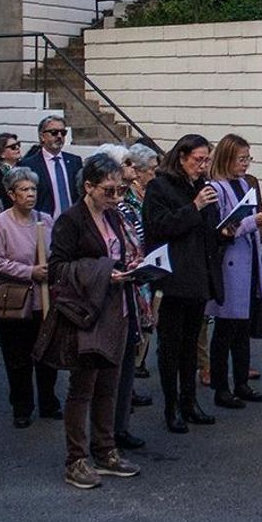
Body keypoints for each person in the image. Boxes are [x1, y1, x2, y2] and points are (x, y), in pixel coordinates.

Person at [36, 153, 142, 489]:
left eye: (119, 191)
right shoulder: (72, 220)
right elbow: (57, 269)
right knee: (83, 388)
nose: (115, 198)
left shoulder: (115, 216)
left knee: (109, 385)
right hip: (87, 313)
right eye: (108, 191)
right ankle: (76, 458)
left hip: (118, 308)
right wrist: (100, 272)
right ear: (88, 187)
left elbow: (126, 251)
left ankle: (105, 449)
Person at [142, 134, 224, 434]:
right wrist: (194, 206)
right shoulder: (159, 186)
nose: (202, 166)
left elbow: (208, 228)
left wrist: (222, 227)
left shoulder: (202, 186)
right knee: (171, 346)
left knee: (191, 344)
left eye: (206, 160)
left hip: (199, 275)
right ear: (181, 157)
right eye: (197, 160)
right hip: (173, 277)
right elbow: (160, 226)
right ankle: (171, 406)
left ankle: (190, 402)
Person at [0, 167, 62, 428]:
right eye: (24, 190)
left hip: (45, 300)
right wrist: (30, 271)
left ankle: (49, 402)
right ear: (11, 194)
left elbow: (56, 254)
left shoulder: (46, 220)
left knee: (46, 353)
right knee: (17, 358)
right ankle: (22, 407)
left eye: (33, 189)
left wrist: (51, 268)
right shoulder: (0, 224)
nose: (30, 194)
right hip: (15, 301)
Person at [205, 135, 262, 410]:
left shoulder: (245, 183)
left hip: (248, 258)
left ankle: (242, 381)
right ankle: (221, 387)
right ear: (227, 159)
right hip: (229, 262)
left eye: (248, 158)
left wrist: (258, 222)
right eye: (241, 159)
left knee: (243, 327)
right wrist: (250, 222)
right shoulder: (216, 188)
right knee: (225, 329)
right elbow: (222, 228)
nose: (246, 164)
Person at [94, 143, 151, 450]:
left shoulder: (123, 210)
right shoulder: (84, 217)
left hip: (128, 296)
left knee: (126, 365)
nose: (117, 194)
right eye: (111, 189)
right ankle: (102, 438)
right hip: (100, 304)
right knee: (102, 375)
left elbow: (135, 242)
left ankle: (120, 427)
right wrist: (108, 271)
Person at [122, 143, 160, 389]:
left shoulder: (151, 193)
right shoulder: (126, 198)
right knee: (140, 312)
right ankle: (134, 365)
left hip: (152, 256)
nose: (154, 175)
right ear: (137, 170)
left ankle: (140, 359)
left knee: (150, 313)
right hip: (135, 259)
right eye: (151, 170)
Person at [18, 115, 85, 217]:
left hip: (73, 223)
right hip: (44, 222)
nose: (59, 136)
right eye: (54, 132)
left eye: (63, 133)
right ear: (42, 136)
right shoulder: (29, 165)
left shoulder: (74, 161)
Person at [0, 132, 23, 205]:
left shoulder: (25, 169)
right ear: (1, 154)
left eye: (18, 144)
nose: (17, 148)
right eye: (13, 147)